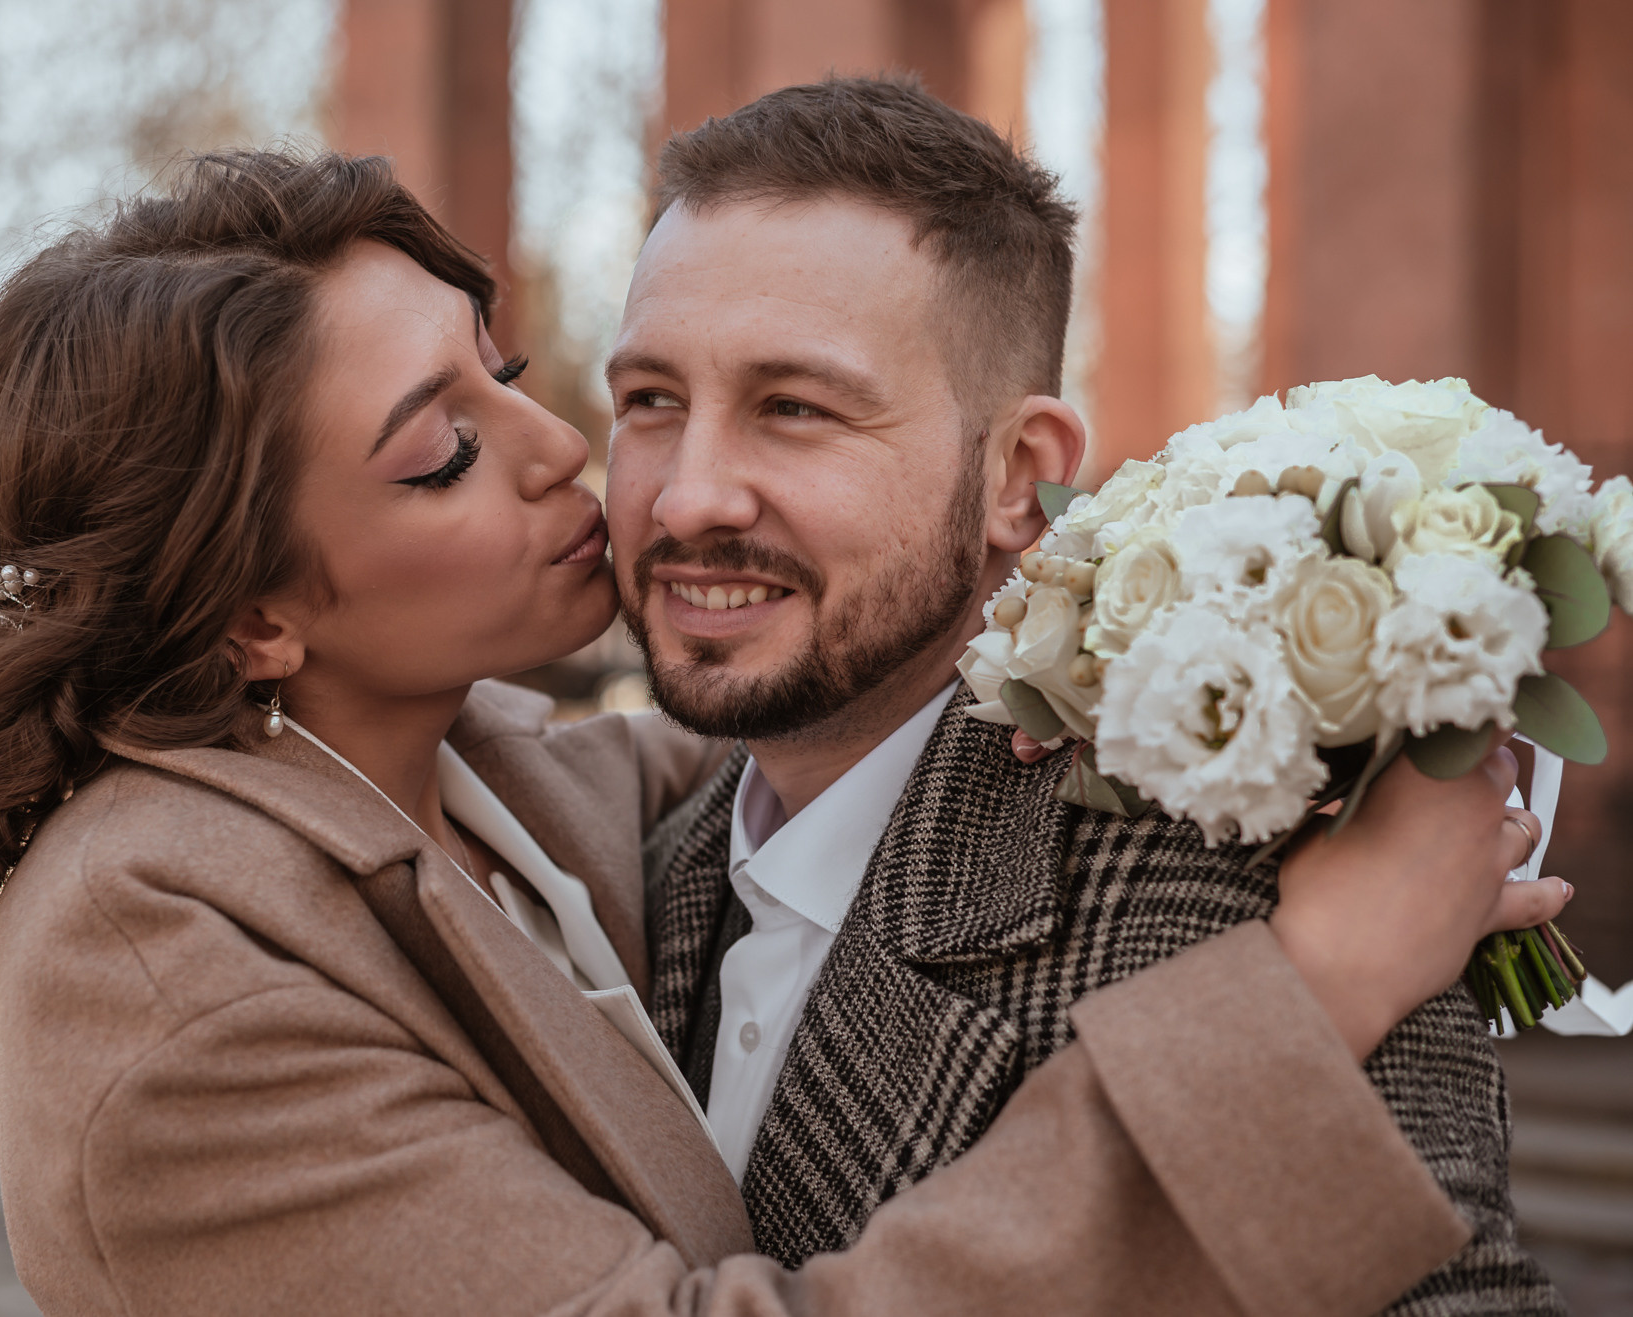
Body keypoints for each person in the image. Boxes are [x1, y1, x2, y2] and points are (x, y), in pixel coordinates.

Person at [0, 148, 1564, 1316]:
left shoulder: (479, 778)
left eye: (509, 371)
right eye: (439, 451)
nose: (574, 457)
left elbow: (850, 721)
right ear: (254, 621)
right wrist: (1320, 976)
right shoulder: (167, 964)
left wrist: (1289, 695)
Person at [608, 77, 1563, 1310]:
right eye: (650, 401)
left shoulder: (1253, 903)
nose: (686, 496)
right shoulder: (625, 874)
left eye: (793, 408)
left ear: (1020, 475)